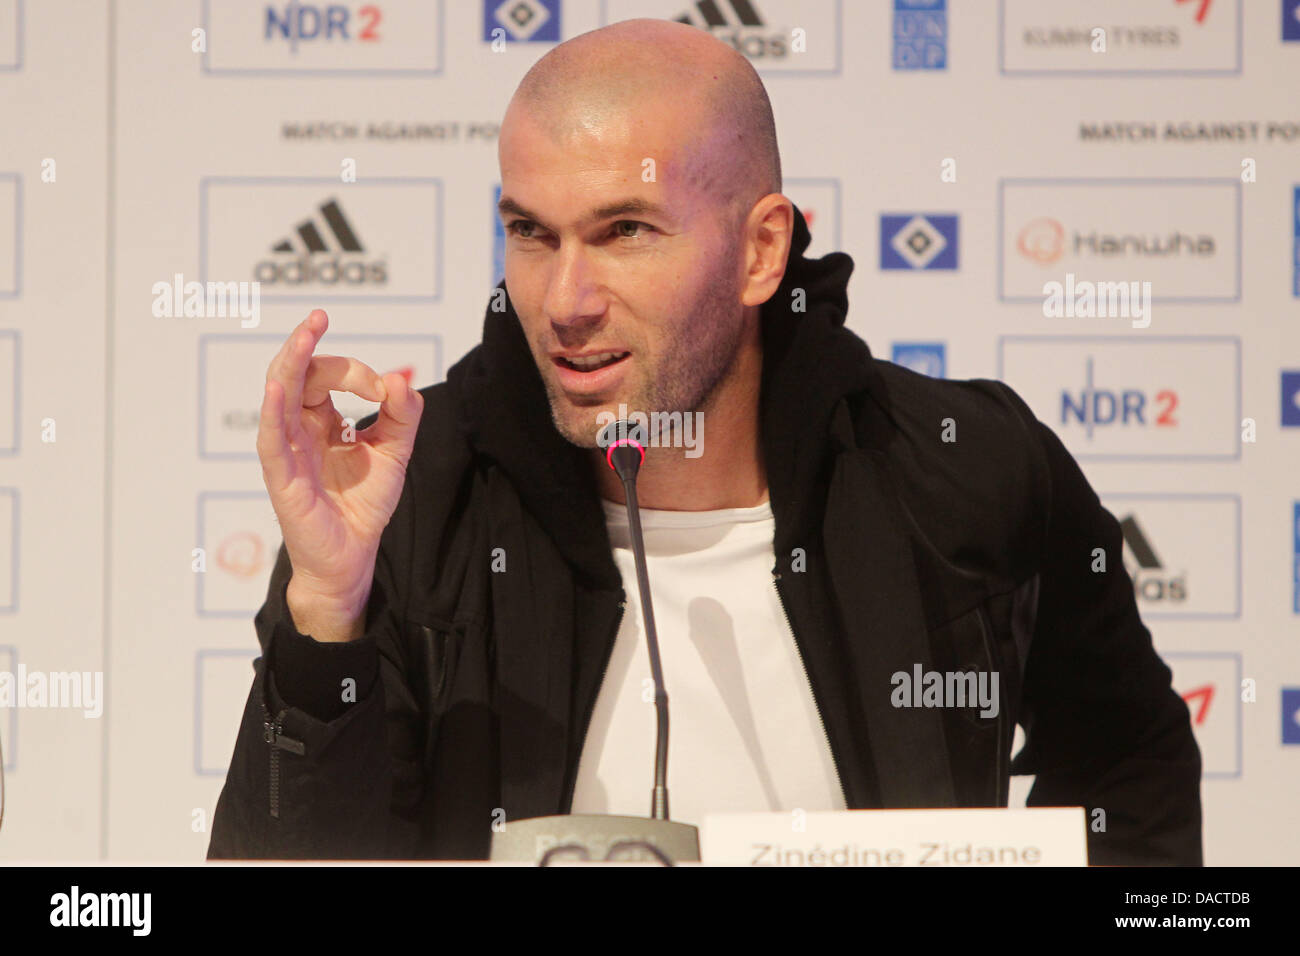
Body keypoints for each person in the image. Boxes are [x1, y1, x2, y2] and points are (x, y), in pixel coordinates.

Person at [208, 18, 1202, 864]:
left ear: (761, 248)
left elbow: (1131, 757)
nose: (564, 301)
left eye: (626, 231)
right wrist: (323, 618)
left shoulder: (965, 468)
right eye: (533, 231)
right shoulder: (410, 494)